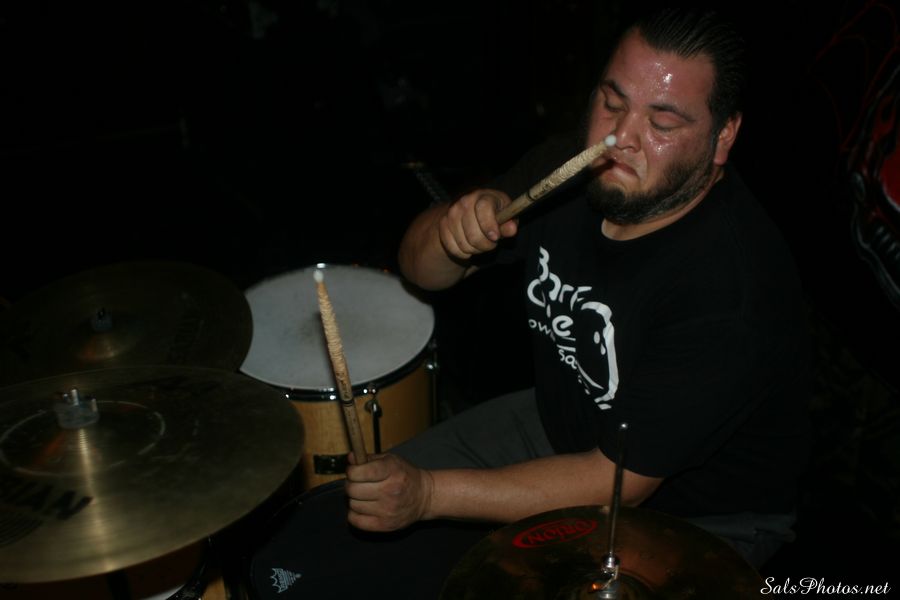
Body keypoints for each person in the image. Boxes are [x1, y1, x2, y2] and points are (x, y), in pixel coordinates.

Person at [344, 7, 811, 571]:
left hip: (695, 515)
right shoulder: (568, 169)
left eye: (662, 124)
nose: (620, 138)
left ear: (723, 137)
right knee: (352, 530)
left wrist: (427, 495)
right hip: (563, 422)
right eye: (613, 103)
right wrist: (454, 233)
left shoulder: (733, 294)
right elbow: (418, 271)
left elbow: (616, 481)